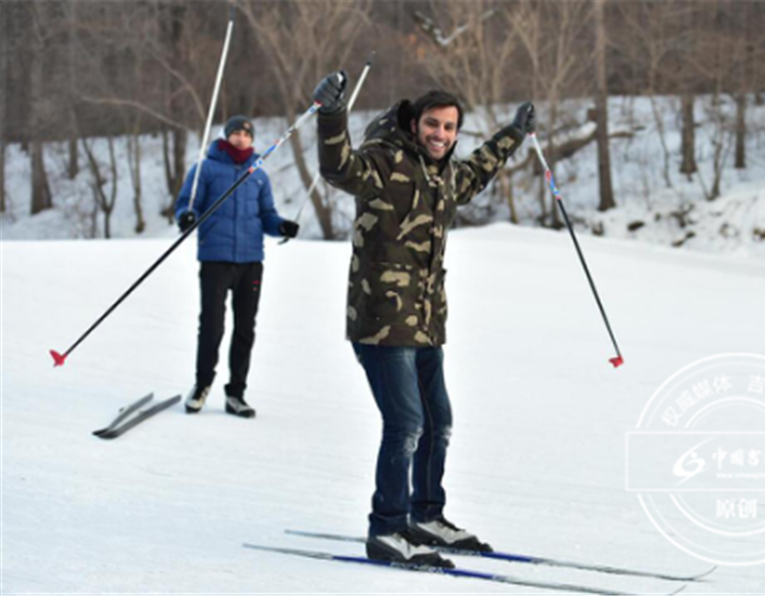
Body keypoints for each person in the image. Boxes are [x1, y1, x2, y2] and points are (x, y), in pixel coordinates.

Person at [313, 72, 536, 567]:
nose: (441, 134)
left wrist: (513, 134)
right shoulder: (384, 162)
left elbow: (478, 171)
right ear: (414, 125)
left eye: (450, 127)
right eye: (433, 124)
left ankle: (426, 515)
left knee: (438, 422)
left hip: (427, 322)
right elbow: (339, 168)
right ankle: (388, 529)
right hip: (381, 322)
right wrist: (331, 114)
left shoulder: (444, 174)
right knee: (406, 423)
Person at [174, 115, 299, 419]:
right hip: (216, 258)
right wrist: (187, 217)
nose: (241, 138)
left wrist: (281, 226)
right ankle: (202, 385)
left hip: (250, 261)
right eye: (236, 133)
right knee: (213, 326)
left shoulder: (259, 174)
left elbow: (267, 215)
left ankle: (236, 393)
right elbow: (185, 204)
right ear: (226, 136)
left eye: (246, 133)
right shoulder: (206, 168)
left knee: (245, 328)